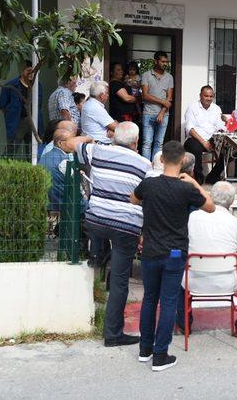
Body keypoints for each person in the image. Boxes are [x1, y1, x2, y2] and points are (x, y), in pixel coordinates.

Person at [66, 122, 152, 348]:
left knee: (96, 230)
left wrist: (89, 140)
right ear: (135, 142)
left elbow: (69, 143)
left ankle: (98, 253)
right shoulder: (144, 163)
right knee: (120, 281)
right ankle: (113, 334)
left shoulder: (98, 151)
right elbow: (146, 196)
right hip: (126, 227)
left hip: (96, 221)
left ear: (115, 138)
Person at [131, 140, 214, 371]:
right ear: (183, 161)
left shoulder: (148, 185)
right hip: (175, 252)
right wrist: (195, 183)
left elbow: (133, 199)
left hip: (150, 250)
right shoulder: (186, 188)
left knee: (149, 298)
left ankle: (145, 349)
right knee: (168, 302)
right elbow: (211, 206)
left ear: (161, 159)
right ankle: (160, 354)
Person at [186, 181, 237, 337]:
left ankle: (183, 323)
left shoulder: (192, 218)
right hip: (228, 281)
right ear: (231, 202)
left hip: (193, 279)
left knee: (177, 273)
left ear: (211, 196)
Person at [0, 60, 43, 160]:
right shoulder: (11, 85)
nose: (32, 74)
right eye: (29, 70)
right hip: (17, 123)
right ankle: (4, 168)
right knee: (11, 150)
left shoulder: (37, 85)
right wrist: (11, 116)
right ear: (22, 71)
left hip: (34, 122)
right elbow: (1, 105)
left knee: (32, 152)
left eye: (34, 71)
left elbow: (39, 105)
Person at [183, 85, 225, 184]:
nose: (209, 98)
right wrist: (204, 143)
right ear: (200, 96)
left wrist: (218, 137)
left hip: (212, 139)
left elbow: (221, 126)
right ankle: (199, 178)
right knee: (195, 148)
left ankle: (212, 176)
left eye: (211, 96)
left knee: (228, 150)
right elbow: (190, 128)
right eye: (206, 96)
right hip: (196, 139)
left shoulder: (216, 108)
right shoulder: (192, 107)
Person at [141, 51, 174, 160]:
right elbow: (145, 96)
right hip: (148, 113)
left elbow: (169, 99)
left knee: (159, 143)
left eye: (166, 62)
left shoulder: (169, 77)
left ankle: (156, 167)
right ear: (156, 61)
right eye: (163, 61)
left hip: (163, 115)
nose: (165, 64)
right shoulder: (146, 75)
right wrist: (162, 101)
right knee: (146, 143)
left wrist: (162, 112)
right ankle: (145, 168)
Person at [38, 128, 75, 212]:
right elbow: (76, 189)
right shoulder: (64, 162)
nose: (74, 144)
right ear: (60, 143)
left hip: (48, 204)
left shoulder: (45, 156)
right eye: (71, 141)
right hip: (63, 206)